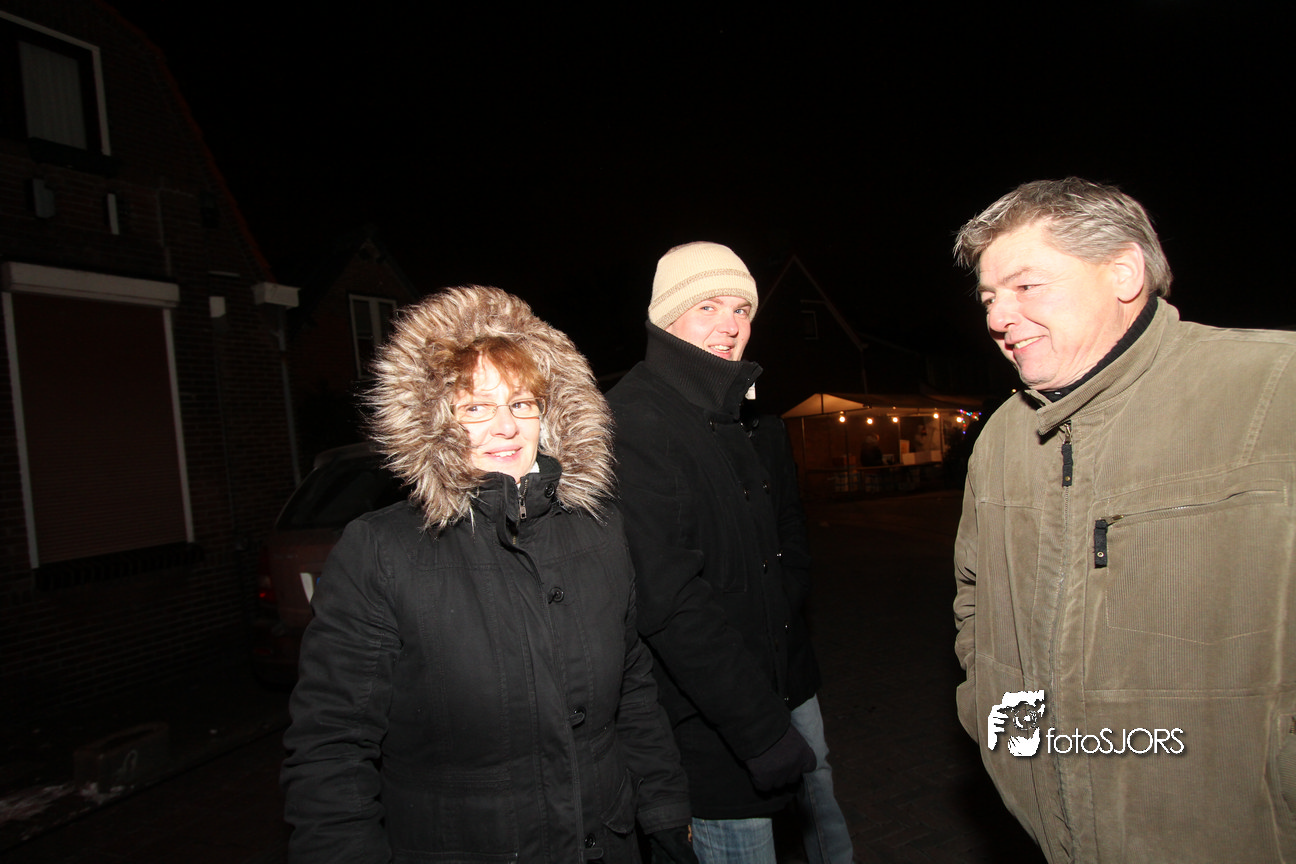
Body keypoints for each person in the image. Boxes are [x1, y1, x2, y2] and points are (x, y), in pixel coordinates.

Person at [281, 286, 697, 863]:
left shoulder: (599, 531)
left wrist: (666, 812)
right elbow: (331, 748)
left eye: (523, 403)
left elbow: (633, 688)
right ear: (432, 422)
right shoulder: (382, 550)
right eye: (476, 408)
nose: (507, 426)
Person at [951, 178, 1296, 863]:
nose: (999, 317)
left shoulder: (1276, 384)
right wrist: (994, 721)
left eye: (1025, 286)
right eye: (989, 298)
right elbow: (974, 597)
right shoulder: (1001, 437)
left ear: (1124, 274)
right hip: (1053, 832)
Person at [607, 242, 855, 864]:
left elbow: (782, 537)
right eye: (708, 306)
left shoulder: (735, 411)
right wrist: (760, 730)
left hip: (782, 678)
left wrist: (788, 606)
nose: (730, 324)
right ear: (665, 317)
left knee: (822, 820)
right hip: (714, 719)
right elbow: (669, 602)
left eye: (742, 309)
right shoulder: (637, 421)